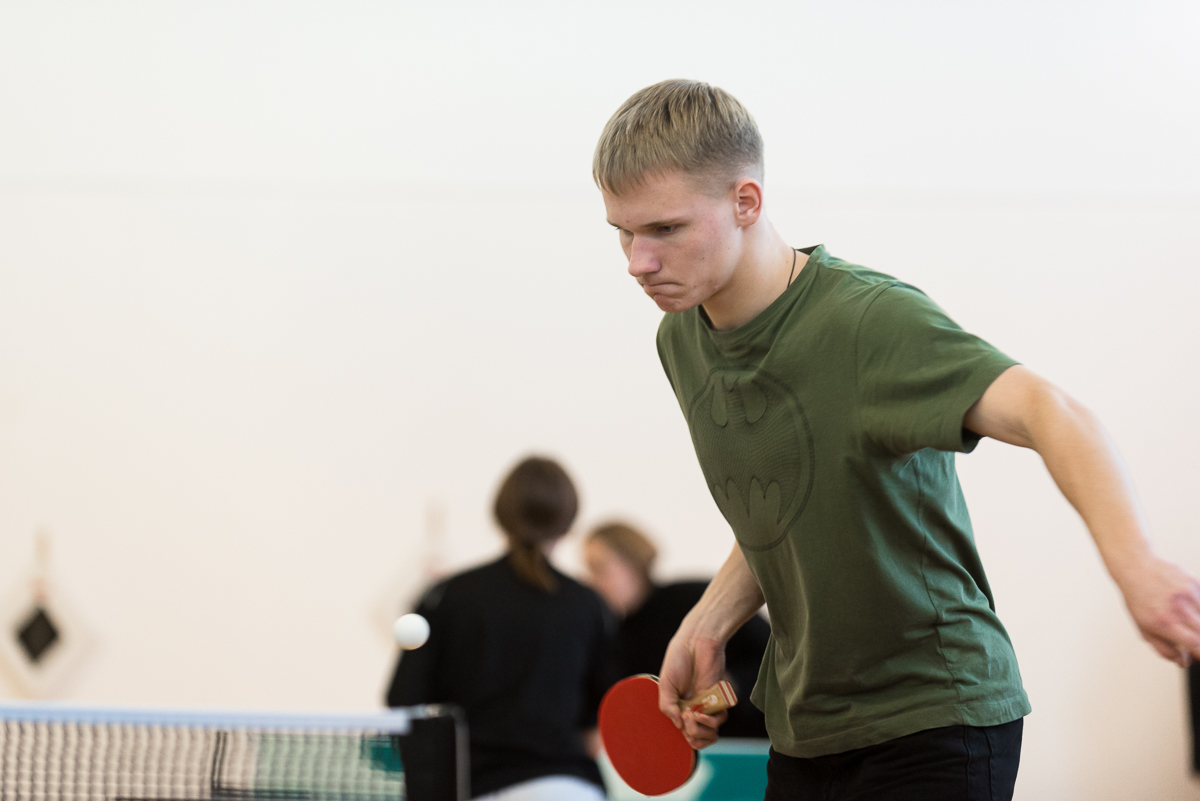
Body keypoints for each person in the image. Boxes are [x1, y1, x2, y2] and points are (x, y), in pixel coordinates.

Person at [592, 79, 1200, 800]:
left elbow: (1054, 412)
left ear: (746, 202)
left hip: (933, 717)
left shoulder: (870, 323)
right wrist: (706, 623)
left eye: (665, 229)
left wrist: (1137, 567)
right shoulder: (682, 342)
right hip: (806, 730)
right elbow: (788, 504)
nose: (637, 261)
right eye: (624, 232)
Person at [385, 456, 616, 801]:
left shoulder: (447, 595)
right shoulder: (590, 605)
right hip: (572, 787)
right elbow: (605, 713)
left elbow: (402, 698)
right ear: (568, 522)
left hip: (482, 785)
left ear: (500, 515)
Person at [583, 520, 770, 738]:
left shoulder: (695, 598)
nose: (592, 581)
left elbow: (777, 653)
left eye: (599, 568)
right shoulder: (612, 636)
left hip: (754, 740)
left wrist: (733, 683)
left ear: (632, 560)